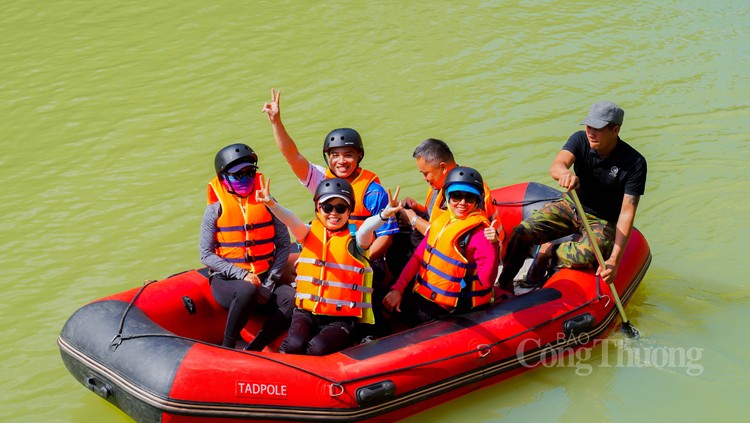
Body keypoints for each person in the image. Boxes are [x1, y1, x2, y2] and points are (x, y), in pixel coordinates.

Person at [495, 101, 647, 293]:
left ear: (615, 130)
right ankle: (505, 283)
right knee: (522, 232)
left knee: (589, 255)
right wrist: (564, 173)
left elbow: (627, 212)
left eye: (597, 128)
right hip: (571, 205)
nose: (590, 132)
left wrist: (614, 260)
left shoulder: (635, 163)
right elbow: (557, 165)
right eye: (589, 126)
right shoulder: (580, 140)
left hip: (601, 219)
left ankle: (549, 252)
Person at [255, 176, 403, 355]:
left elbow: (366, 229)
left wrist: (384, 215)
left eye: (341, 208)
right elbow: (291, 220)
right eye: (327, 207)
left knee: (317, 349)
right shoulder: (308, 233)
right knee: (294, 345)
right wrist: (271, 204)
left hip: (341, 318)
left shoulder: (357, 240)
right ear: (318, 208)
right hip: (307, 313)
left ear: (349, 212)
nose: (334, 213)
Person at [261, 89, 398, 271]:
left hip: (362, 260)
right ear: (328, 157)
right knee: (282, 266)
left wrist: (358, 262)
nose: (341, 161)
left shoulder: (373, 192)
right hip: (328, 252)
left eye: (348, 155)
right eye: (335, 155)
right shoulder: (322, 179)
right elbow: (292, 156)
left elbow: (385, 237)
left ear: (359, 156)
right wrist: (276, 122)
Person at [200, 143, 295, 351]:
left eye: (250, 173)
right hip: (228, 283)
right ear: (223, 178)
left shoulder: (268, 202)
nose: (245, 179)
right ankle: (228, 345)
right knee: (246, 288)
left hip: (264, 281)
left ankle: (255, 348)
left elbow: (283, 243)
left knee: (291, 297)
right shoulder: (214, 209)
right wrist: (240, 274)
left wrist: (269, 284)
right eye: (238, 175)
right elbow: (205, 254)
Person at [382, 167, 500, 327]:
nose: (462, 203)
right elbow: (418, 257)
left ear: (477, 201)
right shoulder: (443, 221)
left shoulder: (480, 235)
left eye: (469, 198)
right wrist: (398, 289)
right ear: (447, 197)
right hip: (426, 293)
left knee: (382, 308)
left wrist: (493, 246)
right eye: (456, 196)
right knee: (383, 294)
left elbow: (487, 282)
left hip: (449, 307)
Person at [388, 138, 499, 277]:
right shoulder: (438, 184)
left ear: (443, 167)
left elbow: (451, 236)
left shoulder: (464, 195)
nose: (424, 178)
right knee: (396, 231)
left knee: (399, 253)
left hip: (456, 251)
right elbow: (436, 216)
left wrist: (414, 220)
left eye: (425, 173)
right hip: (437, 237)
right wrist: (417, 208)